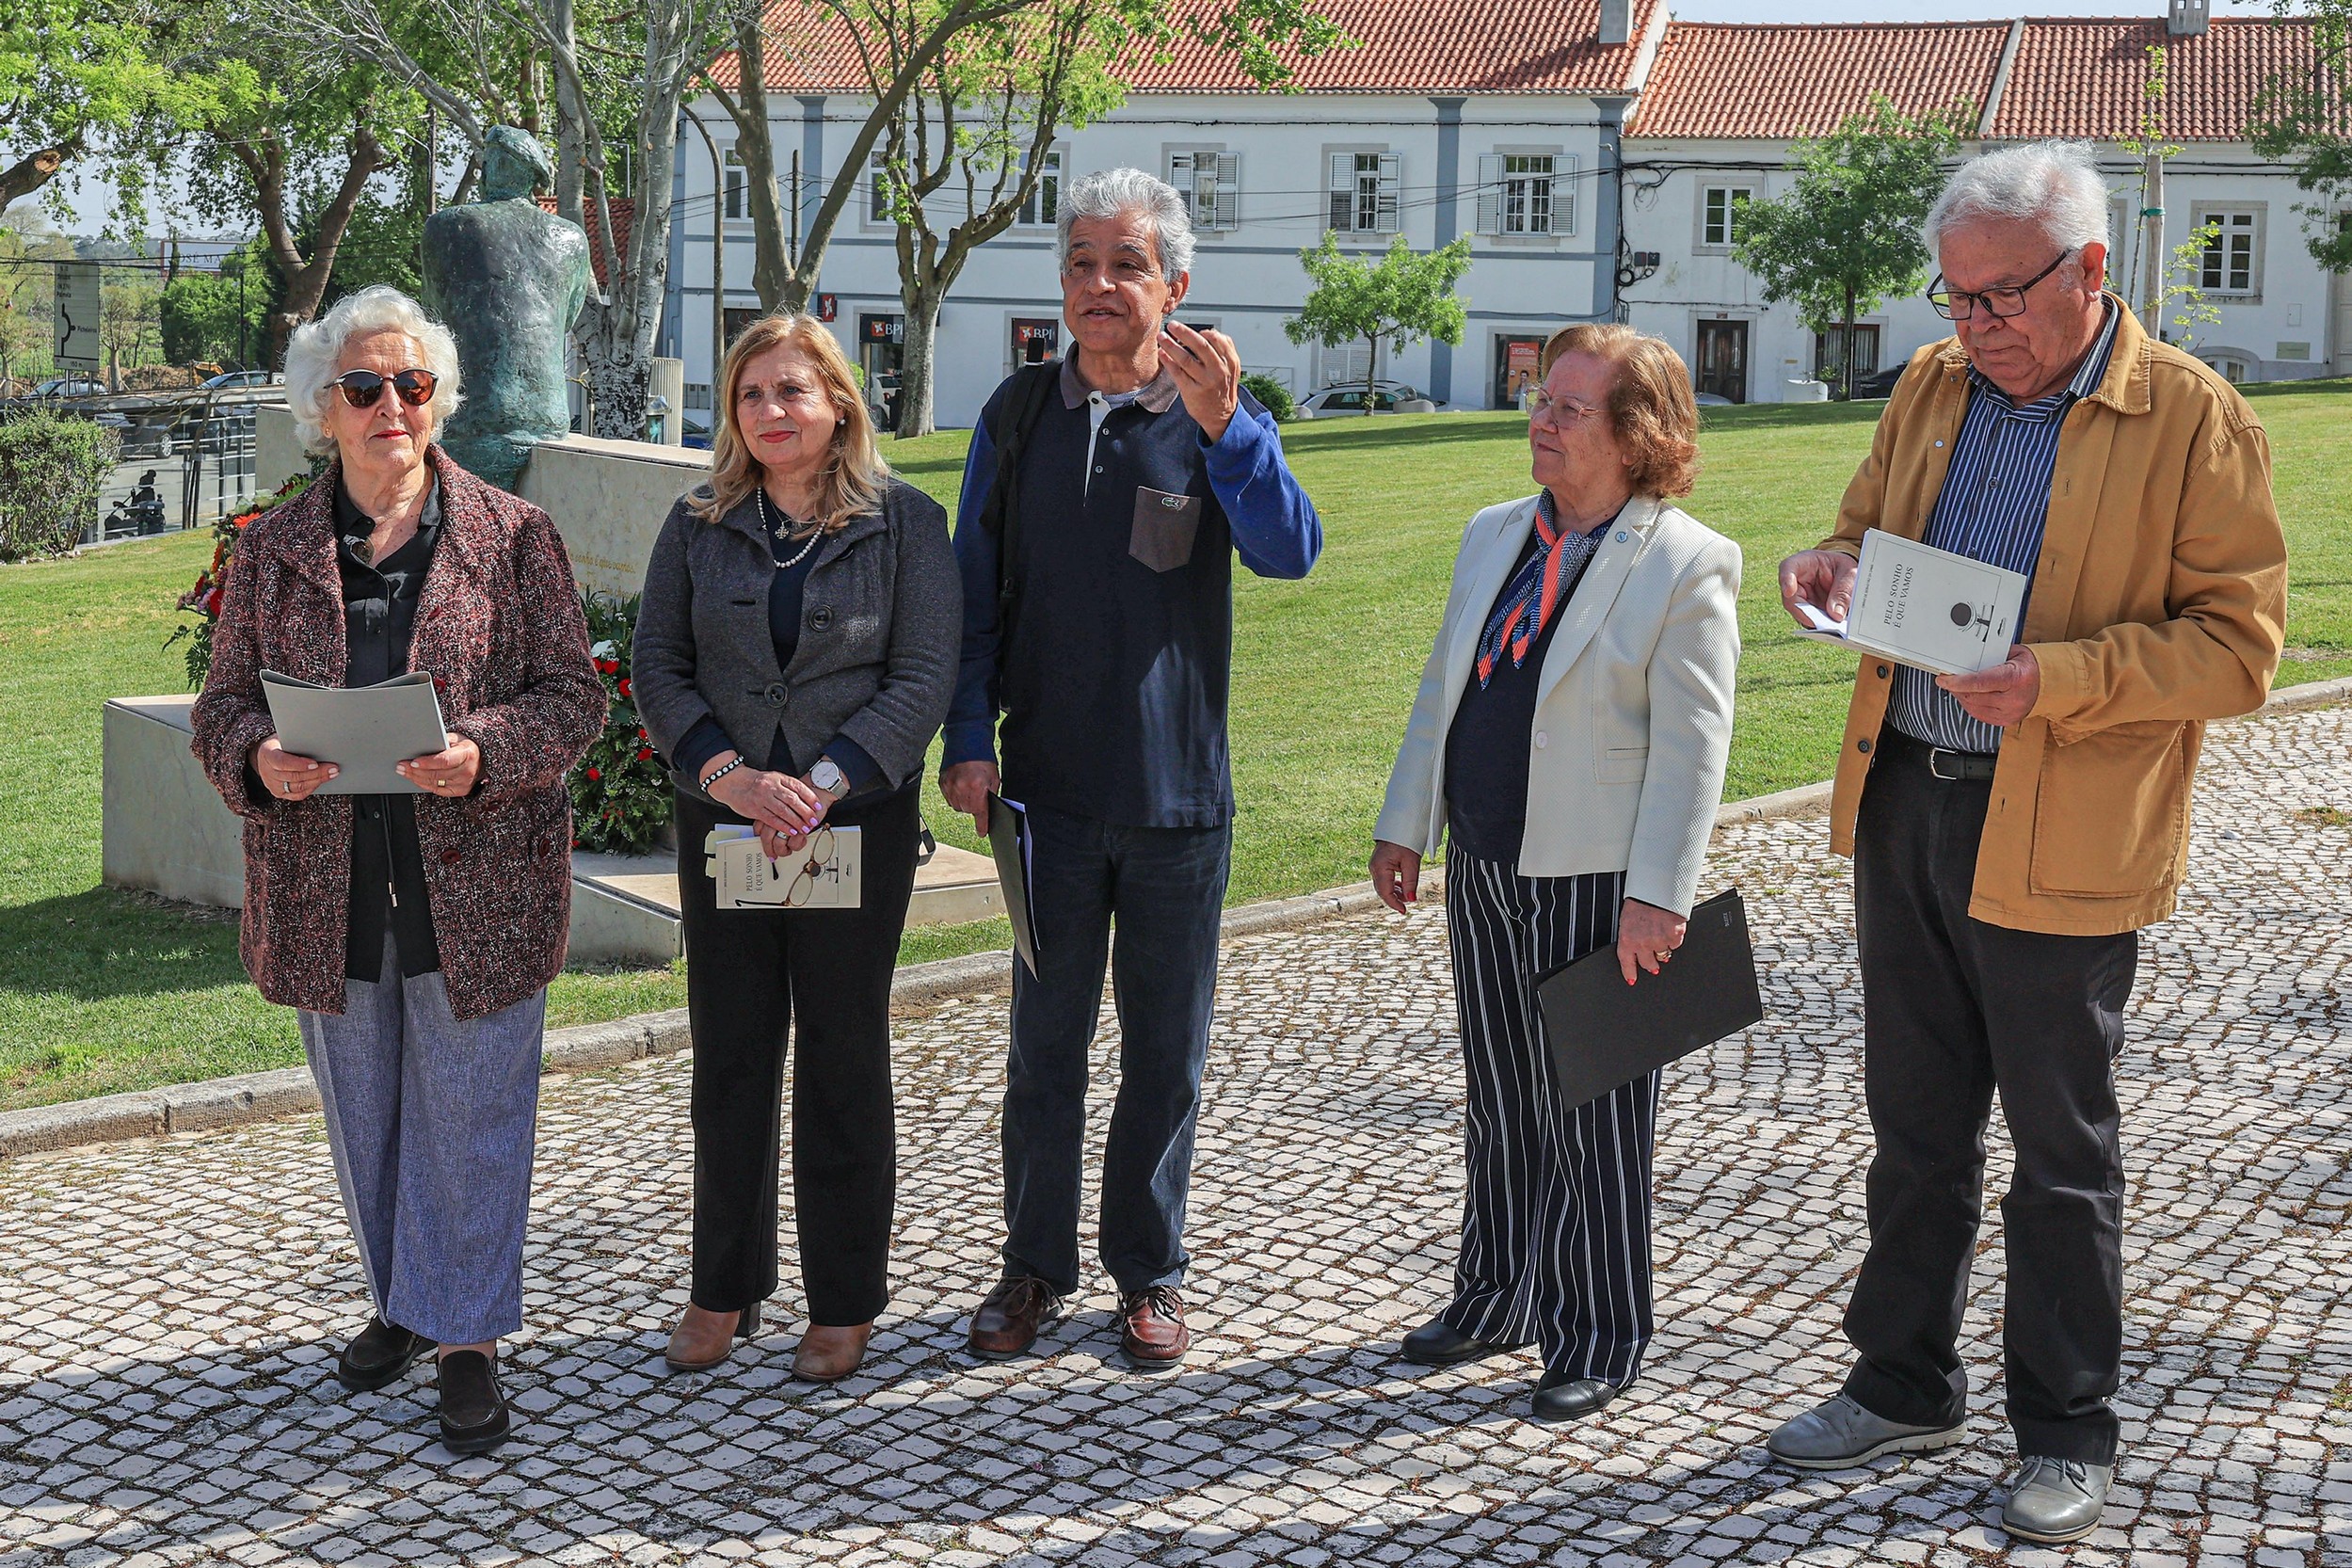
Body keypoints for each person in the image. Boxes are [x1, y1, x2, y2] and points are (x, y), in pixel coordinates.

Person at [1765, 142, 2286, 1544]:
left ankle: (2064, 1426)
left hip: (2059, 822)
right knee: (1913, 1128)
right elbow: (1869, 535)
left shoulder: (2192, 418)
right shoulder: (1932, 387)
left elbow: (2236, 651)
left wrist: (2058, 680)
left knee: (2058, 1149)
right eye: (1955, 296)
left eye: (2004, 296)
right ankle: (1898, 1380)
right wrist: (1827, 563)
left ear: (2091, 271)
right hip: (1904, 799)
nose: (1975, 325)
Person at [188, 284, 605, 1454]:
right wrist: (257, 758)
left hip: (480, 885)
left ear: (440, 402)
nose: (391, 408)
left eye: (412, 386)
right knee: (366, 1118)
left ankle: (465, 1341)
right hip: (326, 891)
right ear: (323, 408)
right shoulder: (271, 553)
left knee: (470, 1122)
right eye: (365, 387)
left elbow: (574, 698)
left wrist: (484, 753)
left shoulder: (514, 537)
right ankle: (404, 1302)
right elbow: (221, 705)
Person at [937, 168, 1321, 1371]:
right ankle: (1032, 1268)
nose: (1100, 288)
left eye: (1127, 266)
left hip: (1175, 803)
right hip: (1043, 800)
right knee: (1043, 1049)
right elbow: (971, 593)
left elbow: (1290, 553)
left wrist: (1231, 433)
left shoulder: (1212, 419)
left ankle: (1149, 1272)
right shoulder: (1016, 413)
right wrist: (966, 736)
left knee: (1167, 1051)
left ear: (1177, 285)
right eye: (1082, 264)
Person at [1368, 324, 1739, 1424]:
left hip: (1599, 880)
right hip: (1486, 859)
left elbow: (1693, 745)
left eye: (1570, 408)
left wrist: (1659, 896)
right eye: (1540, 399)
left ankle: (1599, 1331)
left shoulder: (1685, 559)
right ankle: (1496, 1296)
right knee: (1501, 1098)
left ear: (1637, 436)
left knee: (1602, 1113)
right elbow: (1445, 691)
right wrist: (1408, 824)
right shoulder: (1495, 534)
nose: (1541, 419)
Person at [632, 312, 959, 1384]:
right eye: (752, 395)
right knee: (729, 1055)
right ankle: (723, 1285)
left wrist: (816, 787)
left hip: (851, 822)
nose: (772, 411)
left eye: (792, 391)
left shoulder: (908, 523)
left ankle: (846, 1296)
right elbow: (658, 668)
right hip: (723, 819)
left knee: (840, 1054)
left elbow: (921, 678)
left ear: (839, 403)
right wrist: (731, 777)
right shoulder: (696, 522)